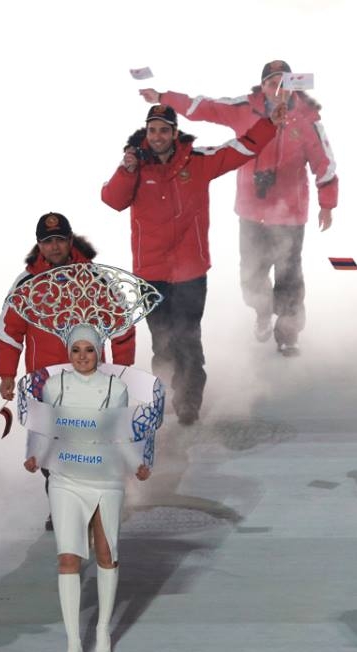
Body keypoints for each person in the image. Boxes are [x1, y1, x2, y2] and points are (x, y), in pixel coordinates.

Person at [140, 58, 338, 354]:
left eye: (284, 82)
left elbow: (324, 164)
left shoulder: (307, 120)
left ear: (294, 85)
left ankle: (287, 337)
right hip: (251, 212)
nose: (277, 88)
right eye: (272, 82)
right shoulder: (245, 108)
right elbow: (204, 107)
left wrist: (327, 204)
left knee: (289, 276)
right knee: (252, 275)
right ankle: (261, 313)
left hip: (290, 215)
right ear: (264, 85)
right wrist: (163, 99)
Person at [102, 103, 283, 424]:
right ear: (146, 132)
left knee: (187, 336)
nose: (157, 136)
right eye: (152, 130)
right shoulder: (135, 166)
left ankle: (188, 401)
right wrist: (126, 169)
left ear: (174, 133)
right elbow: (112, 201)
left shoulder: (197, 161)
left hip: (190, 271)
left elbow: (240, 148)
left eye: (163, 130)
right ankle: (169, 393)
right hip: (150, 274)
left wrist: (270, 123)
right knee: (162, 342)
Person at [23, 324, 151, 652]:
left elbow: (121, 435)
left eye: (89, 350)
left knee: (106, 553)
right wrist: (36, 456)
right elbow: (47, 429)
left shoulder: (116, 388)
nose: (82, 356)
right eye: (76, 349)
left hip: (106, 478)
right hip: (66, 479)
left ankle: (102, 631)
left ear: (99, 352)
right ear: (68, 351)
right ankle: (73, 644)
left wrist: (138, 464)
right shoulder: (54, 386)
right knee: (68, 557)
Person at [0, 212, 135, 529]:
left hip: (90, 382)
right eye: (48, 242)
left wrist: (122, 373)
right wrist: (6, 375)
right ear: (39, 246)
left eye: (60, 240)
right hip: (44, 386)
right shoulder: (27, 284)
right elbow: (9, 332)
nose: (55, 247)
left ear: (71, 241)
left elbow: (122, 327)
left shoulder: (97, 280)